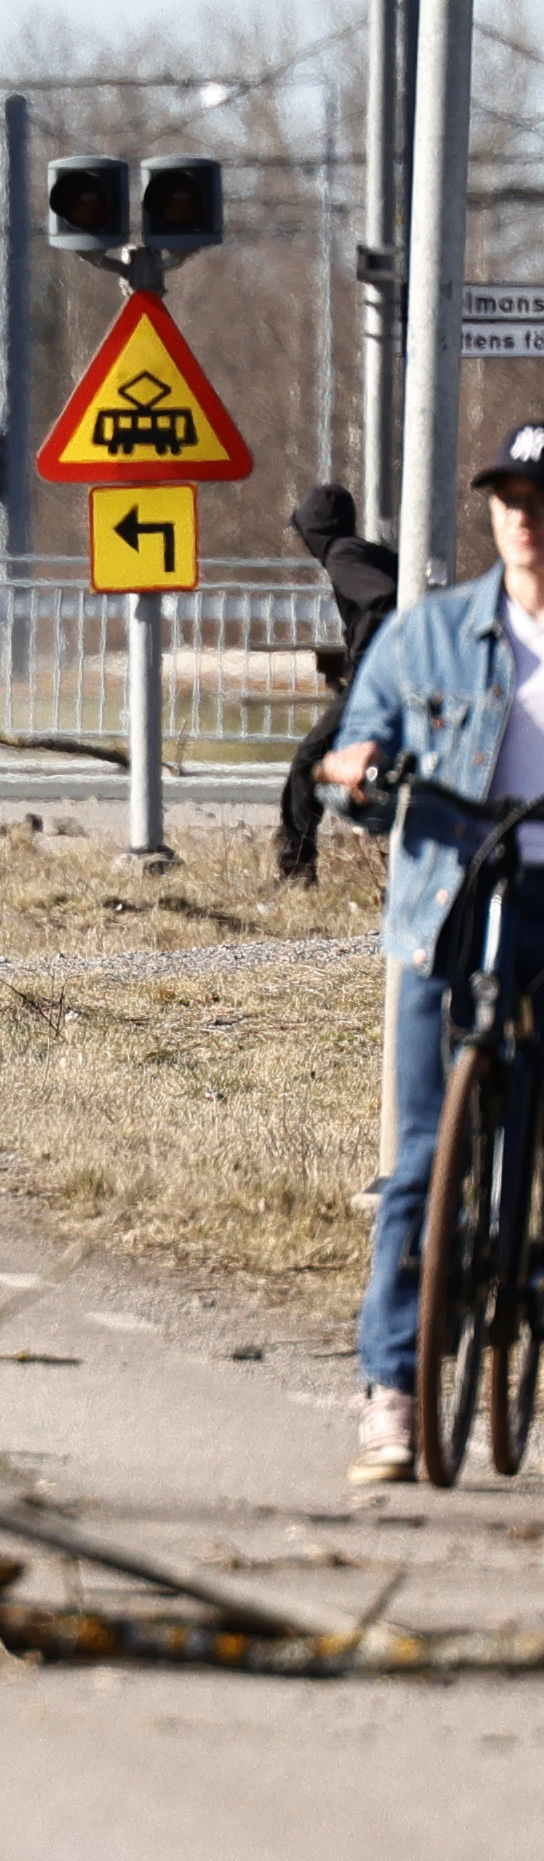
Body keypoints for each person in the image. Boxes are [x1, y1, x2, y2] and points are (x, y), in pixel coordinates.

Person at [320, 425, 544, 1482]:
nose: (527, 519)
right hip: (450, 899)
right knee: (418, 1158)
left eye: (541, 499)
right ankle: (392, 1391)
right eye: (511, 499)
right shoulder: (431, 635)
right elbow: (361, 738)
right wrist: (357, 768)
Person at [279, 480, 405, 886]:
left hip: (378, 678)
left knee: (308, 761)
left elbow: (383, 598)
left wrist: (369, 654)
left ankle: (297, 871)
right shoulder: (367, 552)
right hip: (394, 673)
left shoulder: (342, 554)